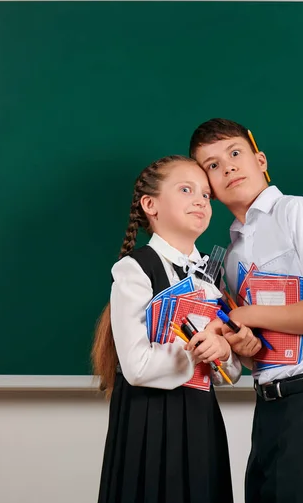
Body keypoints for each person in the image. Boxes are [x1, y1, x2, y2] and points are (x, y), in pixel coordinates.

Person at [190, 119, 303, 503]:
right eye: (212, 165)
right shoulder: (232, 255)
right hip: (268, 405)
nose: (228, 166)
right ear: (209, 190)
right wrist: (243, 344)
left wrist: (245, 316)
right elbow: (259, 352)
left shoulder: (297, 212)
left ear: (260, 160)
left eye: (235, 153)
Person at [92, 154, 249, 503]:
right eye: (186, 190)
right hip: (148, 423)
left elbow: (231, 372)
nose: (200, 200)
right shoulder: (135, 270)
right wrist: (195, 352)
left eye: (206, 195)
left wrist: (223, 351)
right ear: (151, 204)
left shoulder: (211, 279)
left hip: (200, 419)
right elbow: (136, 367)